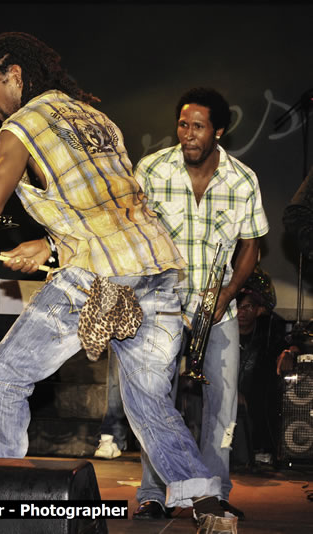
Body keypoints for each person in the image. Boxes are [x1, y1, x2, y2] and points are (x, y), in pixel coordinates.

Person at [0, 32, 236, 533]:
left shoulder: (22, 125)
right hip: (160, 269)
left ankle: (0, 505)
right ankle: (210, 507)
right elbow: (106, 206)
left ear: (15, 75)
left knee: (3, 379)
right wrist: (52, 247)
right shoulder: (97, 119)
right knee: (147, 401)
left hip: (100, 274)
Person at [133, 87, 268, 521]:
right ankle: (154, 493)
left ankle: (214, 493)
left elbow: (252, 247)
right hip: (159, 303)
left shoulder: (242, 179)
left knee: (222, 404)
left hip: (218, 305)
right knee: (154, 397)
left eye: (198, 127)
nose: (188, 134)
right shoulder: (151, 170)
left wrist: (227, 295)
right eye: (183, 125)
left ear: (219, 131)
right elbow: (132, 231)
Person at [232, 267, 285, 467]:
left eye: (248, 307)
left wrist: (290, 351)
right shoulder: (219, 331)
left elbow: (286, 344)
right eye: (238, 307)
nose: (242, 312)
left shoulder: (268, 331)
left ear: (259, 309)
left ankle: (261, 447)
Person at [93, 348, 129, 459]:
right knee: (117, 380)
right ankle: (110, 437)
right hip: (124, 334)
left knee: (160, 386)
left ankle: (162, 440)